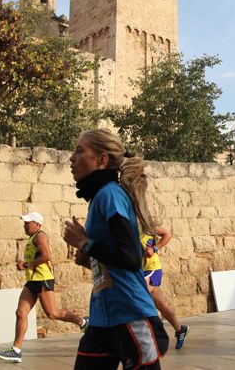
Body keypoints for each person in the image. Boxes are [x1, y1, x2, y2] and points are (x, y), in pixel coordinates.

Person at [63, 129, 168, 369]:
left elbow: (131, 258)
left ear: (101, 160)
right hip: (102, 318)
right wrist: (88, 256)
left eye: (80, 151)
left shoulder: (110, 195)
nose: (72, 158)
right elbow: (113, 258)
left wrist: (84, 243)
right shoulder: (99, 197)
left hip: (129, 313)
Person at [0, 212, 88, 363]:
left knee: (52, 313)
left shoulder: (40, 236)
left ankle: (82, 322)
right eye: (25, 223)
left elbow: (47, 255)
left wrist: (26, 264)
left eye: (28, 223)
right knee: (20, 312)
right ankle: (16, 350)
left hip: (43, 279)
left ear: (37, 224)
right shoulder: (32, 238)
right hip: (32, 281)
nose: (25, 225)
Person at [140, 226, 189, 349]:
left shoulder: (146, 225)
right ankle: (180, 329)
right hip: (139, 270)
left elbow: (167, 234)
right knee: (161, 304)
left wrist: (155, 248)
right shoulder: (126, 226)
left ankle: (152, 335)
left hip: (152, 269)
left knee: (139, 296)